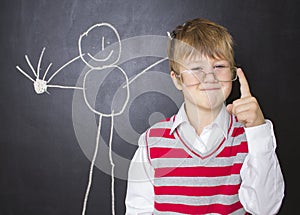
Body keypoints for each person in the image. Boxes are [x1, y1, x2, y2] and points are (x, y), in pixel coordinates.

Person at [125, 18, 284, 215]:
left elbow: (265, 209)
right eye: (196, 68)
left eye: (219, 66)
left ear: (233, 72)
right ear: (177, 79)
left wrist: (258, 130)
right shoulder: (152, 142)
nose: (209, 77)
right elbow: (138, 210)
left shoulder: (250, 137)